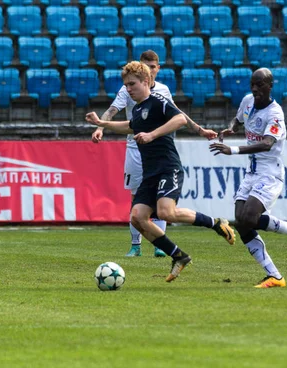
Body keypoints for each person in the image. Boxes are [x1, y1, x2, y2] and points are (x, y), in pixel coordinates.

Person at [87, 61, 235, 283]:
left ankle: (215, 223)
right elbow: (131, 126)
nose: (128, 89)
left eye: (132, 84)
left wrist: (152, 135)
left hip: (167, 167)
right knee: (137, 217)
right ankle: (178, 256)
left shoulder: (158, 101)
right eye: (126, 85)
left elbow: (180, 119)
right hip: (150, 173)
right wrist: (102, 124)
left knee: (165, 212)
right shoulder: (138, 109)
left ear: (145, 82)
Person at [209, 68, 287, 288]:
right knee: (241, 222)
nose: (255, 89)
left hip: (270, 173)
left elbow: (267, 144)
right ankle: (275, 275)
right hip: (252, 173)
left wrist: (233, 150)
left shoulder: (275, 114)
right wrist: (230, 129)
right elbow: (238, 120)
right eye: (252, 84)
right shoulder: (247, 101)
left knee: (249, 218)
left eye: (260, 85)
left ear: (270, 86)